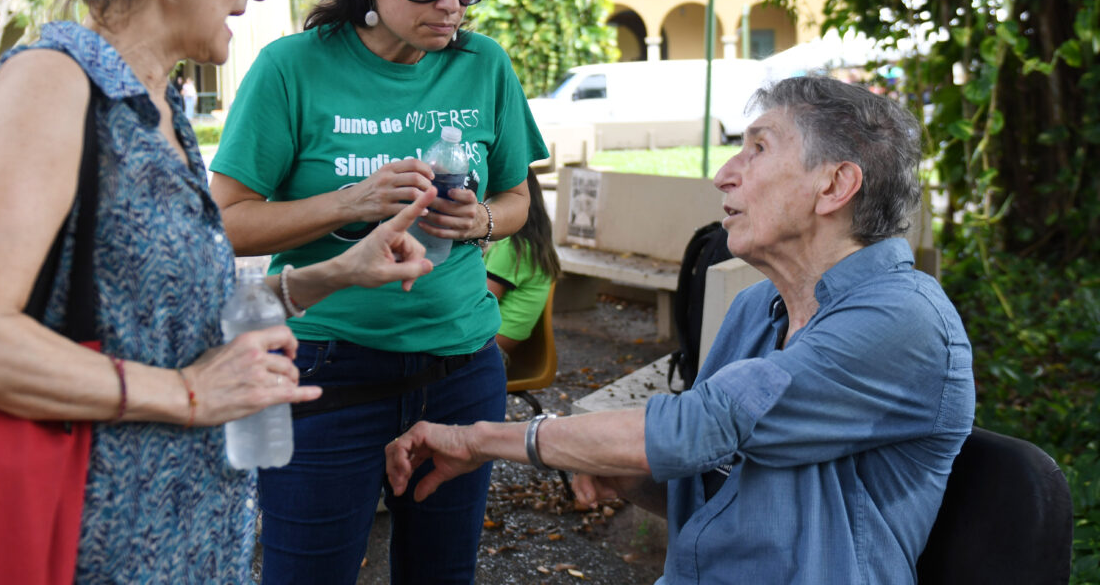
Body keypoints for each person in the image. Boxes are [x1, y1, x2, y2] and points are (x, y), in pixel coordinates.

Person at [0, 0, 437, 582]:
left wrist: (330, 276)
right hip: (87, 549)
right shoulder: (53, 85)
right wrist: (186, 394)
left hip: (190, 546)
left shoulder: (157, 105)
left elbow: (158, 313)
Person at [387, 76, 976, 584]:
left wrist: (480, 439)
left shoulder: (903, 319)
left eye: (757, 149)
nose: (725, 175)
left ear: (834, 186)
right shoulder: (754, 310)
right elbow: (708, 478)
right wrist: (629, 476)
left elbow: (705, 425)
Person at [209, 0, 548, 584]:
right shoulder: (290, 69)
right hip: (326, 373)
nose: (452, 4)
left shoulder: (483, 66)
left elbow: (518, 198)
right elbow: (227, 225)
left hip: (461, 369)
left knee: (441, 575)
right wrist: (349, 202)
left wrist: (481, 218)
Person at [485, 168, 560, 363]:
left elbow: (479, 303)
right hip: (505, 345)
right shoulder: (533, 245)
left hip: (490, 350)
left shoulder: (511, 249)